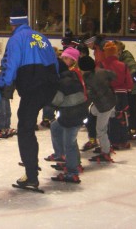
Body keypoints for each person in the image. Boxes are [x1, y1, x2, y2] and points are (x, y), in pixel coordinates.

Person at [0, 7, 59, 189]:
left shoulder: (16, 38)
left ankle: (31, 174)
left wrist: (2, 84)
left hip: (32, 86)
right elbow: (54, 61)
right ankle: (32, 166)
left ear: (12, 24)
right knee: (28, 125)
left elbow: (11, 64)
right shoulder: (40, 36)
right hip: (49, 84)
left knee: (25, 129)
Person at [49, 48, 88, 183]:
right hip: (75, 111)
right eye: (63, 58)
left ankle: (72, 171)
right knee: (56, 127)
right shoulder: (72, 74)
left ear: (73, 61)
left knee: (69, 142)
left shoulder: (69, 77)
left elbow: (57, 100)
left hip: (72, 113)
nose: (64, 60)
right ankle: (67, 159)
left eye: (66, 58)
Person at [79, 56, 116, 163]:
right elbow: (113, 75)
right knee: (93, 111)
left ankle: (106, 152)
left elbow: (90, 96)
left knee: (101, 130)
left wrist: (82, 107)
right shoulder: (101, 71)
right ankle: (106, 145)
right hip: (111, 100)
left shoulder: (88, 79)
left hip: (104, 106)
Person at [101, 41, 133, 150]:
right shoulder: (122, 65)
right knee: (123, 118)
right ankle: (123, 140)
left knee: (111, 118)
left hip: (109, 95)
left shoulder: (103, 65)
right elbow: (129, 82)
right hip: (122, 96)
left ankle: (113, 141)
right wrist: (127, 89)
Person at [114, 40, 136, 140]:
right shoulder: (117, 59)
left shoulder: (127, 57)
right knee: (126, 110)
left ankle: (135, 130)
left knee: (133, 109)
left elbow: (134, 68)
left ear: (120, 50)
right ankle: (128, 129)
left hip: (132, 89)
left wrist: (129, 79)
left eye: (116, 50)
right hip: (124, 89)